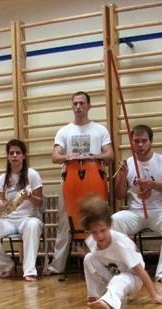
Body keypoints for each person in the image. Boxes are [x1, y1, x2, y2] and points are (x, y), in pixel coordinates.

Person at [44, 91, 114, 276]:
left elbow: (110, 155)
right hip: (70, 183)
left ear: (89, 106)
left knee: (99, 221)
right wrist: (68, 157)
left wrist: (95, 156)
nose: (78, 107)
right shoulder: (64, 131)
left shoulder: (100, 130)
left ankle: (105, 264)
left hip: (94, 180)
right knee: (65, 224)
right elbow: (55, 156)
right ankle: (57, 266)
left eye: (82, 103)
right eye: (75, 103)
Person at [78, 194, 162, 309]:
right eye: (94, 232)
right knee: (89, 258)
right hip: (113, 272)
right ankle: (96, 296)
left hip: (133, 277)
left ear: (109, 225)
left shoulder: (121, 244)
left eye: (103, 230)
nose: (99, 236)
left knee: (119, 280)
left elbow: (140, 271)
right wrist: (84, 253)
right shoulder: (92, 241)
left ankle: (109, 304)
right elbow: (93, 258)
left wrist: (155, 295)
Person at [112, 124, 162, 283]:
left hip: (160, 211)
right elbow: (119, 195)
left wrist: (153, 184)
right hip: (136, 212)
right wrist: (122, 176)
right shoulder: (128, 163)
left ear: (151, 141)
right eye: (136, 141)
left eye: (144, 141)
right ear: (131, 142)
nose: (140, 145)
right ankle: (127, 268)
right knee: (115, 220)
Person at [0, 139, 43, 282]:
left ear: (24, 156)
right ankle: (5, 266)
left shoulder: (32, 174)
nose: (14, 156)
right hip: (8, 220)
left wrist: (29, 197)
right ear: (8, 157)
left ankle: (29, 271)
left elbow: (40, 202)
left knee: (33, 226)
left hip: (29, 218)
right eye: (11, 153)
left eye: (18, 153)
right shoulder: (2, 179)